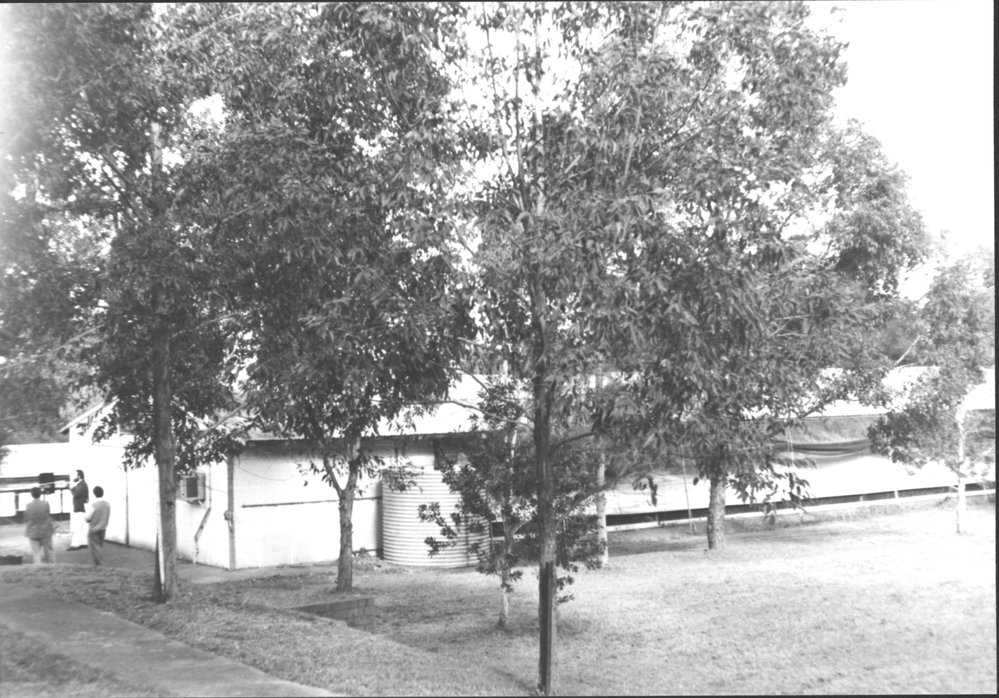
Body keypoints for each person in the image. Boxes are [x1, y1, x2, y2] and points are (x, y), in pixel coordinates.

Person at [24, 487, 55, 564]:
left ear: (31, 495)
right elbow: (48, 514)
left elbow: (26, 518)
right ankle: (53, 569)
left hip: (33, 532)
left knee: (36, 555)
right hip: (46, 532)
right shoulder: (46, 504)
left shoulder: (28, 505)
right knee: (49, 552)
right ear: (40, 494)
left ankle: (38, 570)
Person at [85, 486, 111, 566]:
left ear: (94, 494)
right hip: (103, 528)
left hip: (93, 529)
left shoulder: (94, 505)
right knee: (99, 546)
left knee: (94, 548)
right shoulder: (107, 505)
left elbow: (88, 518)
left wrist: (86, 519)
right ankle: (98, 563)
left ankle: (98, 565)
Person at [69, 469, 89, 550]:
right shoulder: (81, 484)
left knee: (77, 527)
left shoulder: (82, 484)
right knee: (82, 527)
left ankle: (75, 545)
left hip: (79, 508)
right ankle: (83, 543)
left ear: (79, 476)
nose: (73, 477)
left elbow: (76, 494)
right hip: (80, 508)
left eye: (75, 475)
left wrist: (71, 487)